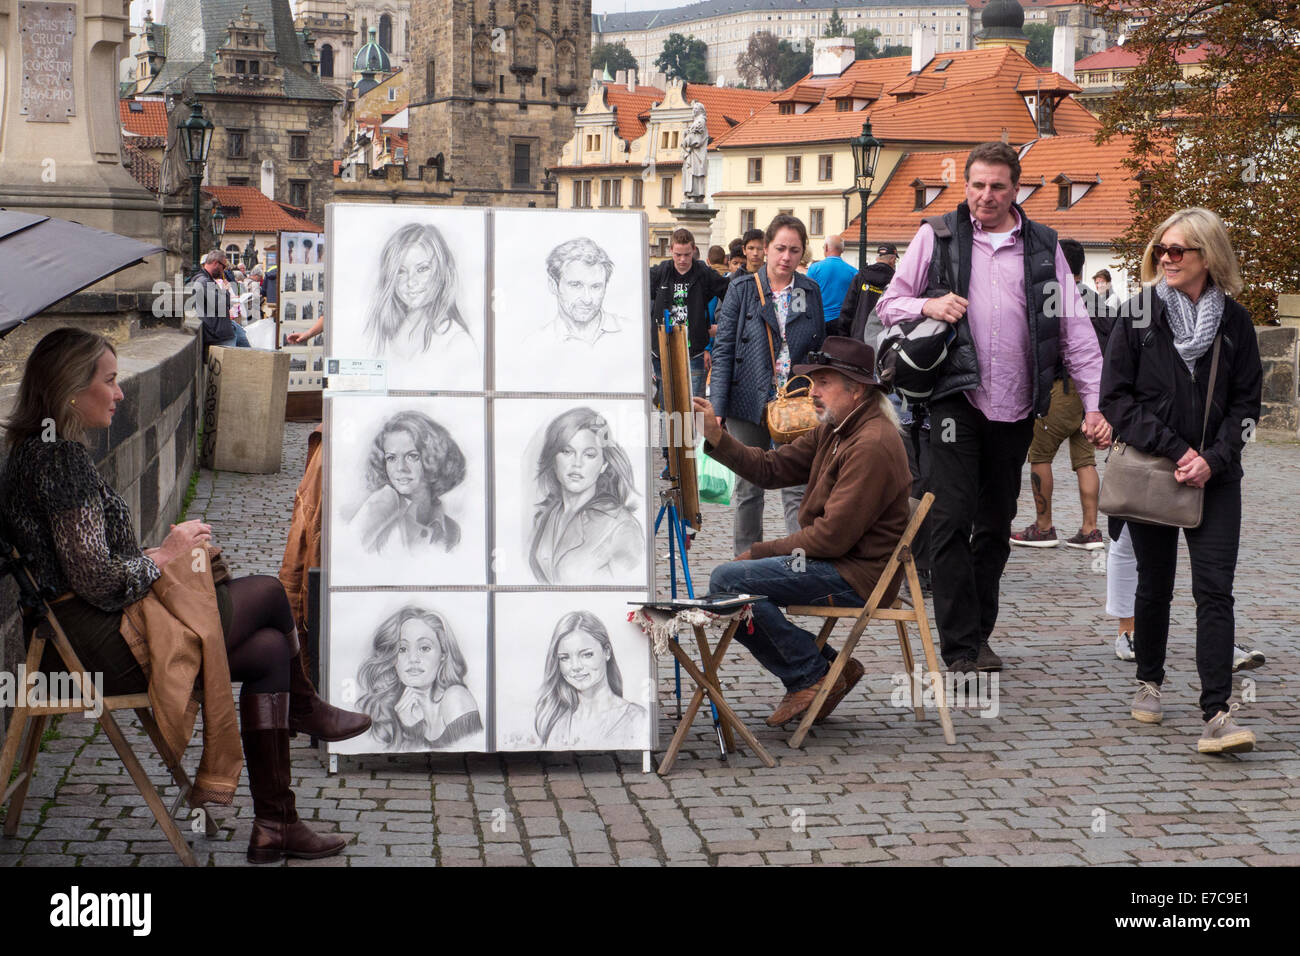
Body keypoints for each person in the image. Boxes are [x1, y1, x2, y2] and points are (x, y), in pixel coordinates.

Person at [0, 328, 370, 863]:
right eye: (109, 381)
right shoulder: (57, 461)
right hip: (99, 645)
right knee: (268, 593)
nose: (121, 393)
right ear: (70, 390)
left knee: (268, 653)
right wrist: (166, 554)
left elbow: (89, 566)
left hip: (90, 632)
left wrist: (157, 555)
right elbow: (100, 582)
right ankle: (306, 710)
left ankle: (276, 825)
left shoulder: (41, 453)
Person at [876, 141, 1110, 676]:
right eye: (977, 185)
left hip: (1020, 403)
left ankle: (979, 634)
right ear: (966, 185)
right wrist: (928, 303)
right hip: (955, 396)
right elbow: (889, 304)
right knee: (951, 518)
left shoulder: (1042, 245)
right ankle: (959, 645)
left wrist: (1094, 405)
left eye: (997, 186)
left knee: (996, 523)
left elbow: (1075, 330)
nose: (986, 195)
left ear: (1016, 190)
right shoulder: (937, 235)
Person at [1100, 207, 1263, 753]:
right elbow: (1115, 399)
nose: (1166, 259)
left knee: (1214, 591)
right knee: (1155, 584)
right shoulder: (1138, 313)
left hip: (1216, 478)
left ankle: (1216, 712)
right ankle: (1150, 679)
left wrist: (1213, 458)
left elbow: (1246, 405)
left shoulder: (1235, 322)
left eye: (1179, 251)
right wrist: (1177, 450)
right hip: (1153, 469)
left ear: (1207, 257)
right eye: (1161, 250)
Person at [696, 337, 912, 726]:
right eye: (813, 382)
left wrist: (761, 551)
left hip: (856, 574)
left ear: (856, 389)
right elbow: (771, 468)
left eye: (823, 382)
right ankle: (825, 666)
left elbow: (831, 538)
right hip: (837, 561)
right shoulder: (837, 428)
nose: (812, 392)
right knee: (731, 584)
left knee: (728, 583)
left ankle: (810, 674)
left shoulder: (872, 442)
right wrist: (717, 437)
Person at [710, 214, 826, 556]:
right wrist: (717, 407)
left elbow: (818, 347)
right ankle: (745, 563)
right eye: (779, 248)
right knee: (749, 486)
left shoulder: (810, 290)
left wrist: (818, 395)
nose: (785, 257)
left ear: (802, 252)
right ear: (766, 247)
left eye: (794, 250)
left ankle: (803, 564)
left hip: (795, 403)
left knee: (798, 487)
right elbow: (724, 348)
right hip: (748, 400)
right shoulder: (742, 288)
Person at [1011, 238, 1113, 551]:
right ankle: (1091, 529)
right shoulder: (1100, 303)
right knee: (1086, 460)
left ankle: (1043, 527)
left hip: (1061, 388)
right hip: (1094, 394)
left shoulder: (1055, 299)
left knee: (1039, 455)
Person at [528, 407, 641, 585]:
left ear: (604, 464)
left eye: (589, 455)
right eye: (567, 451)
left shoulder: (621, 526)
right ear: (553, 458)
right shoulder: (545, 516)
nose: (577, 463)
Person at [356, 605, 482, 750]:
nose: (413, 658)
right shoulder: (399, 708)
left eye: (424, 648)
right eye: (402, 649)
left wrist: (414, 728)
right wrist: (411, 726)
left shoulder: (455, 697)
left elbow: (464, 757)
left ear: (443, 654)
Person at [349, 410, 465, 555]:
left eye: (412, 456)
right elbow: (347, 559)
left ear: (435, 459)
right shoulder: (377, 513)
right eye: (391, 458)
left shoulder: (452, 530)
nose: (400, 468)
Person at [534, 611, 648, 749]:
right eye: (565, 658)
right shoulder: (556, 721)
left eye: (586, 655)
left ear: (607, 652)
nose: (575, 667)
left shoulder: (637, 719)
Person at [366, 222, 478, 361]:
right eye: (401, 271)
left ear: (443, 272)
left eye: (422, 269)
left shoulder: (456, 341)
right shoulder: (384, 335)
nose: (411, 281)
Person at [650, 228, 731, 398]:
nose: (682, 260)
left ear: (694, 250)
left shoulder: (703, 273)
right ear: (670, 250)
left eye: (687, 254)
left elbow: (730, 293)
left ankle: (695, 426)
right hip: (663, 351)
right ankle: (669, 426)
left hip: (694, 352)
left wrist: (723, 325)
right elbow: (640, 297)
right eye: (678, 254)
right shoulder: (660, 272)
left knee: (695, 407)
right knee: (667, 407)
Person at [541, 237, 627, 348]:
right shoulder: (536, 343)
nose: (587, 300)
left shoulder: (633, 332)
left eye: (596, 286)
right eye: (576, 285)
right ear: (553, 286)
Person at [832, 243, 898, 341]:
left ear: (877, 258)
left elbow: (848, 308)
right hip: (882, 340)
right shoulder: (896, 281)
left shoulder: (861, 276)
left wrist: (844, 336)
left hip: (858, 338)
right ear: (892, 260)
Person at [192, 250, 248, 353]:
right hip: (217, 332)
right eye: (224, 266)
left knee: (246, 348)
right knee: (231, 362)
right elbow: (222, 304)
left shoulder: (207, 279)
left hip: (221, 328)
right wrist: (225, 290)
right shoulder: (203, 281)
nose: (224, 270)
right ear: (216, 263)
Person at [807, 235, 858, 330]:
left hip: (820, 321)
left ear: (826, 247)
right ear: (842, 250)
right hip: (843, 322)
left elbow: (807, 295)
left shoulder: (814, 268)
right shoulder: (853, 272)